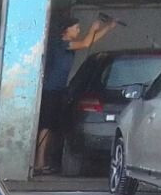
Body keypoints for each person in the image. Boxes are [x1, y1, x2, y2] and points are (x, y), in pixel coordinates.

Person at [35, 12, 116, 174]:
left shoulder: (68, 43)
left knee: (52, 127)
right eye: (76, 28)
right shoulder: (60, 43)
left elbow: (87, 41)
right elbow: (86, 43)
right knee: (46, 126)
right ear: (66, 30)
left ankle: (44, 162)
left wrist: (107, 28)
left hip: (57, 90)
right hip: (50, 89)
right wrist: (93, 28)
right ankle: (38, 162)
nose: (78, 31)